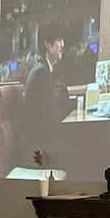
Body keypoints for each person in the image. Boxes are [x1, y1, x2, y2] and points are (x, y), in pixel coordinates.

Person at [22, 25, 71, 154]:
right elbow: (50, 115)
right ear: (48, 45)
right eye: (59, 40)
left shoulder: (47, 69)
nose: (63, 44)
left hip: (43, 140)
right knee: (75, 148)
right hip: (37, 149)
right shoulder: (41, 73)